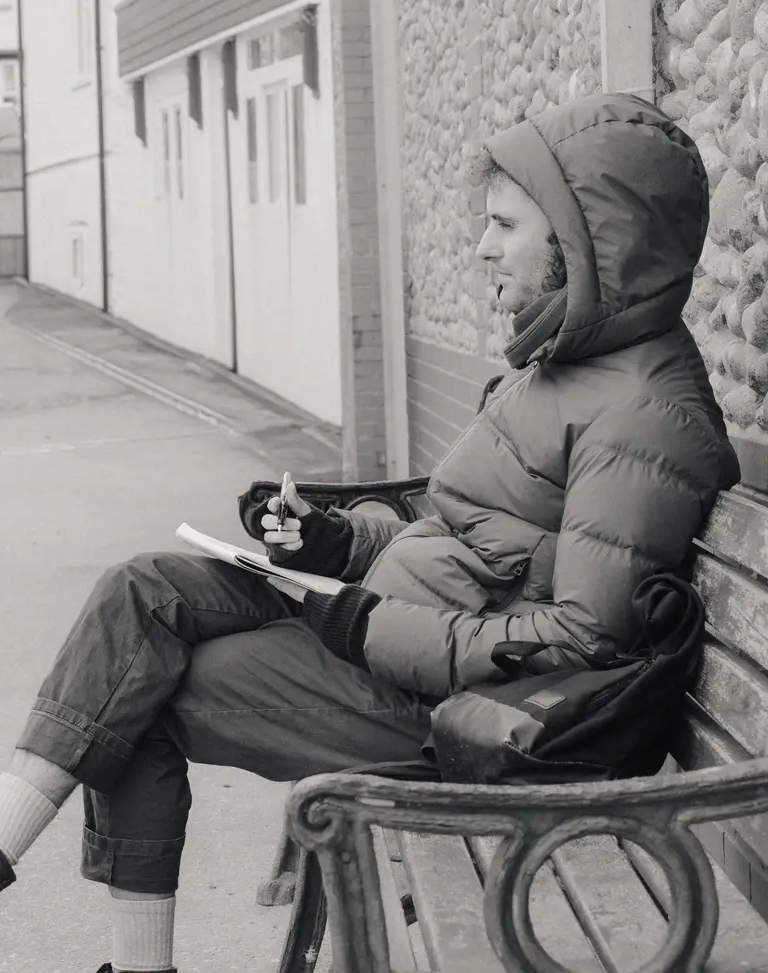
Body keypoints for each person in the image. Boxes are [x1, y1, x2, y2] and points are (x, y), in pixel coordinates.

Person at [0, 92, 740, 972]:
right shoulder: (564, 362)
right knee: (141, 590)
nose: (481, 248)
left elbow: (580, 640)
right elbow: (461, 532)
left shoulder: (643, 414)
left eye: (506, 225)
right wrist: (331, 542)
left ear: (589, 240)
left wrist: (361, 620)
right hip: (385, 621)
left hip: (439, 703)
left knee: (135, 689)